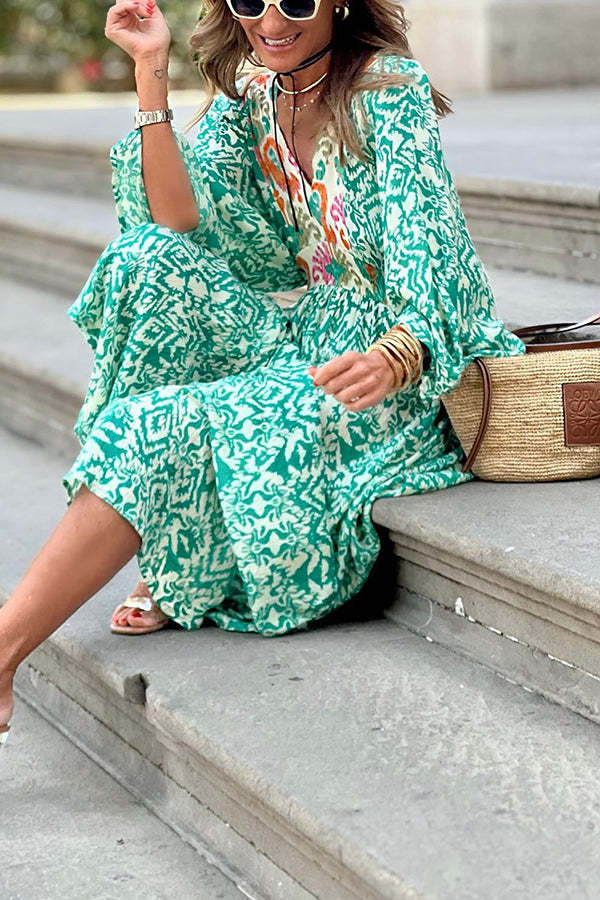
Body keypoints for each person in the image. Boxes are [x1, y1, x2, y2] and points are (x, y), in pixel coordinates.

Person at [0, 0, 527, 747]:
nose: (271, 21)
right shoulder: (256, 91)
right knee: (149, 263)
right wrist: (151, 71)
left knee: (155, 428)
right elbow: (175, 217)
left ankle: (26, 634)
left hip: (396, 356)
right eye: (250, 1)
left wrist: (398, 353)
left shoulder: (388, 89)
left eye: (296, 2)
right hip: (307, 328)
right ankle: (161, 535)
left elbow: (430, 244)